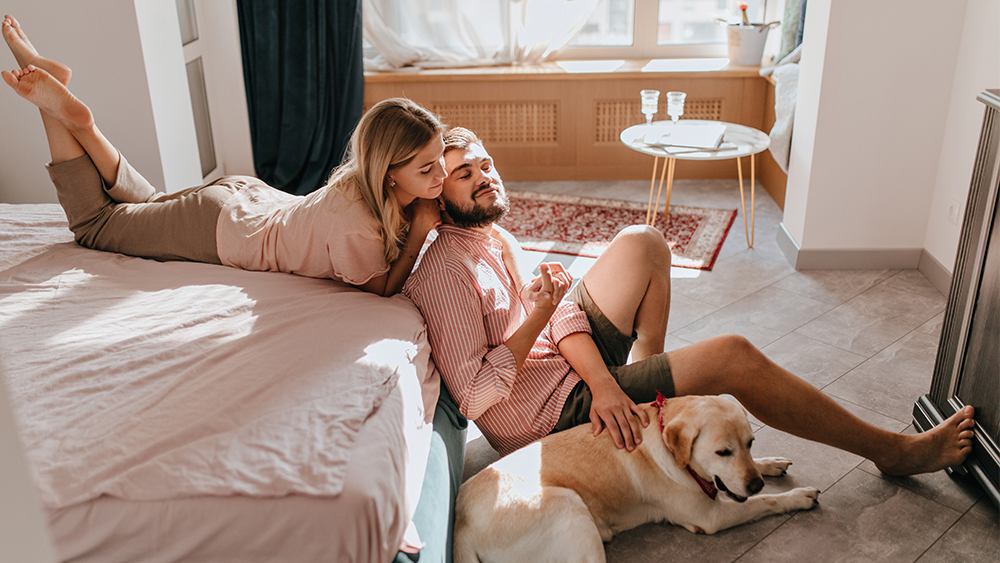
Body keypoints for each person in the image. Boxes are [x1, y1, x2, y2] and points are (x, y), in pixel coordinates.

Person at [403, 126, 976, 476]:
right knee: (733, 354)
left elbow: (558, 319)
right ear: (436, 191)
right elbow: (477, 396)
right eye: (463, 174)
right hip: (544, 414)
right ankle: (893, 452)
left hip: (574, 373)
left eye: (486, 164)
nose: (485, 177)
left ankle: (656, 403)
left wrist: (588, 360)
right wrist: (556, 334)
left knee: (643, 241)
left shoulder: (491, 236)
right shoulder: (441, 272)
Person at [1, 15, 443, 296]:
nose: (440, 173)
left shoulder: (358, 180)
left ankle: (65, 104)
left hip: (242, 201)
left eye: (442, 160)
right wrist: (422, 228)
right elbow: (381, 288)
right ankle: (66, 115)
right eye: (427, 168)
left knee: (148, 204)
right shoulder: (359, 227)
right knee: (95, 225)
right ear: (388, 172)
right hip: (220, 230)